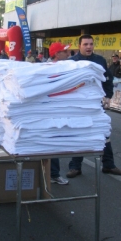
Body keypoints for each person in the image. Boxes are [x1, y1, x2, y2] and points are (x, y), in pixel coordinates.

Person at [67, 34, 121, 177]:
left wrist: (108, 96)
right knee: (80, 133)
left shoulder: (100, 60)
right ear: (79, 45)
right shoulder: (71, 62)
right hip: (78, 105)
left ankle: (108, 165)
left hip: (96, 103)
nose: (88, 47)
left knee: (104, 132)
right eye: (85, 44)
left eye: (91, 44)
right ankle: (75, 167)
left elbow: (107, 79)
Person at [48, 42, 71, 185]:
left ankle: (50, 173)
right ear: (57, 54)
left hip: (59, 110)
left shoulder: (64, 67)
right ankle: (53, 174)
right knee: (52, 141)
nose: (68, 54)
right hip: (51, 111)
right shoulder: (49, 69)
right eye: (65, 52)